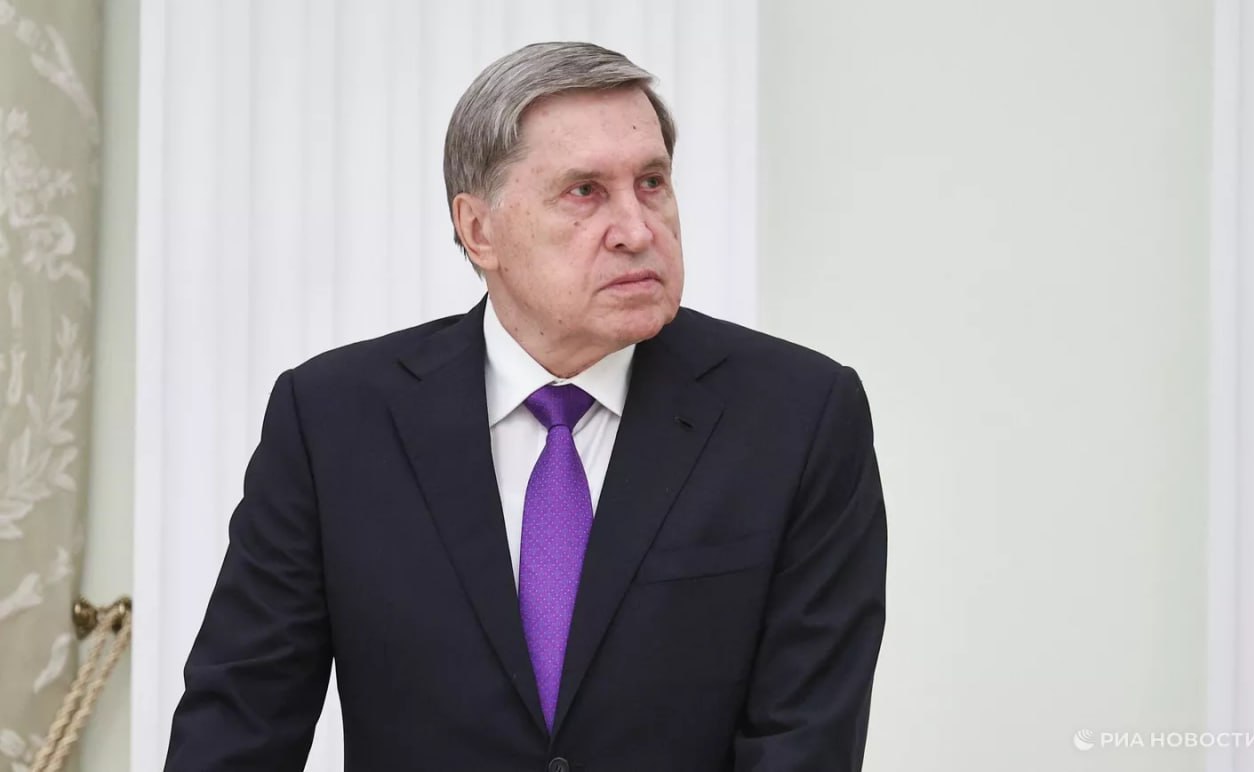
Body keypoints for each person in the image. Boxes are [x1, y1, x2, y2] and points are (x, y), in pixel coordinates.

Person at [163, 41, 886, 771]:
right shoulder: (333, 421)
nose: (638, 230)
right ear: (480, 230)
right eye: (585, 192)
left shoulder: (799, 417)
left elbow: (805, 743)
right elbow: (239, 726)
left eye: (652, 183)